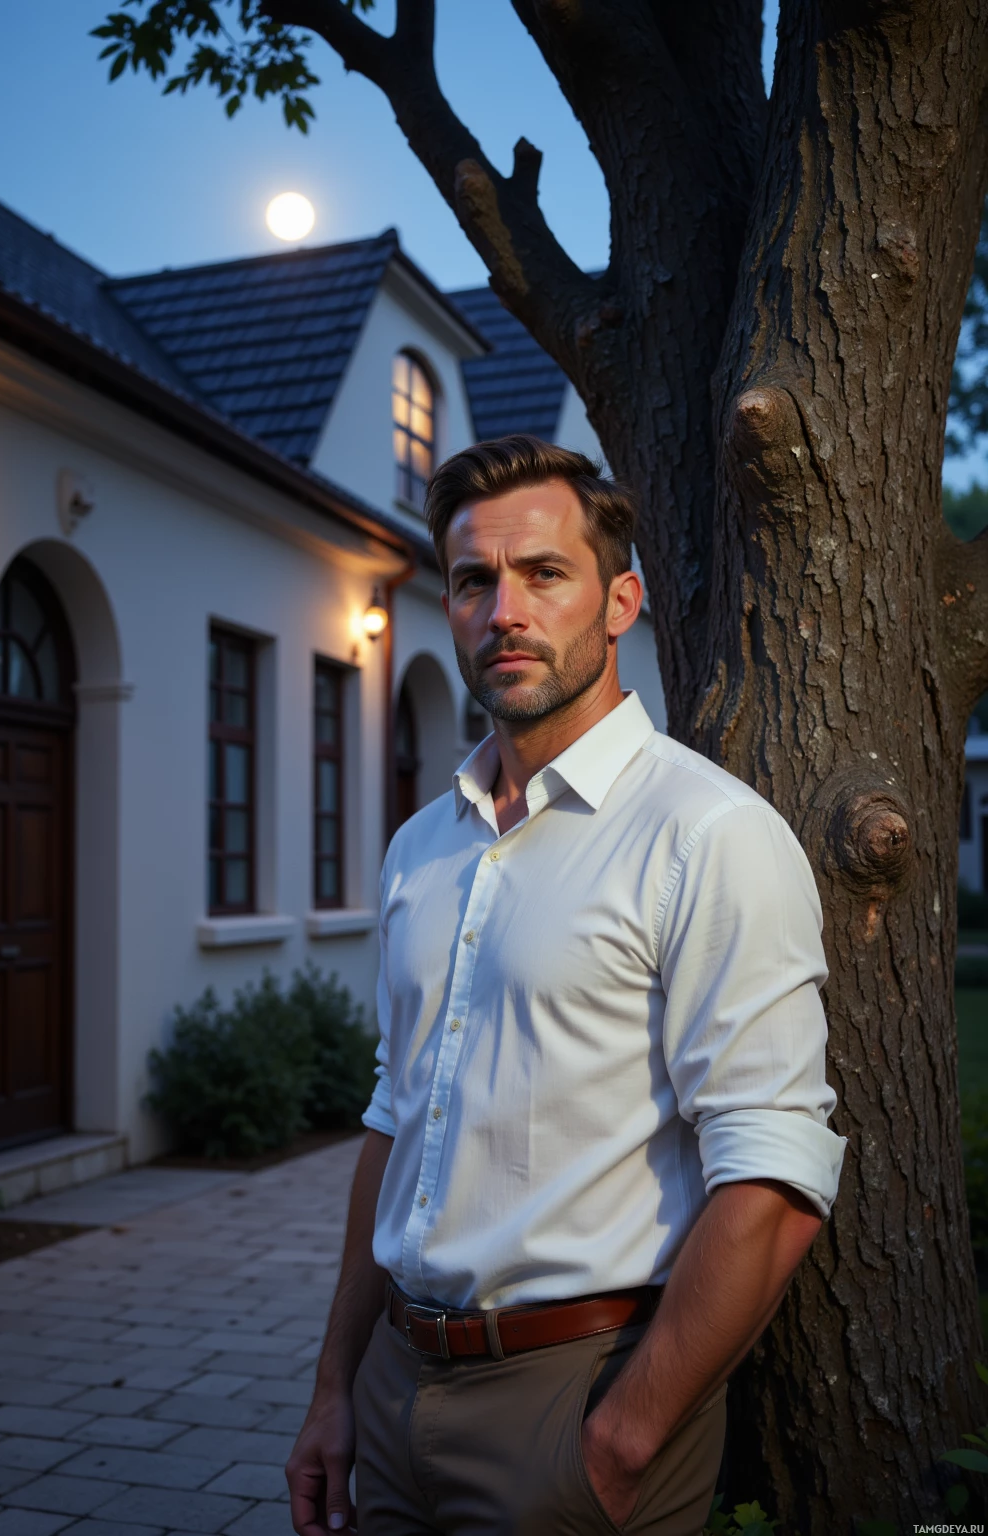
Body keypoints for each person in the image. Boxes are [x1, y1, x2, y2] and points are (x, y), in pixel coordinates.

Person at [286, 435, 845, 1536]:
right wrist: (334, 1389)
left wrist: (623, 1440)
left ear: (619, 599)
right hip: (395, 1390)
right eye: (473, 580)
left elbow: (774, 1179)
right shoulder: (420, 850)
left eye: (544, 574)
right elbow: (394, 1124)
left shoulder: (707, 835)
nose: (505, 610)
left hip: (578, 1400)